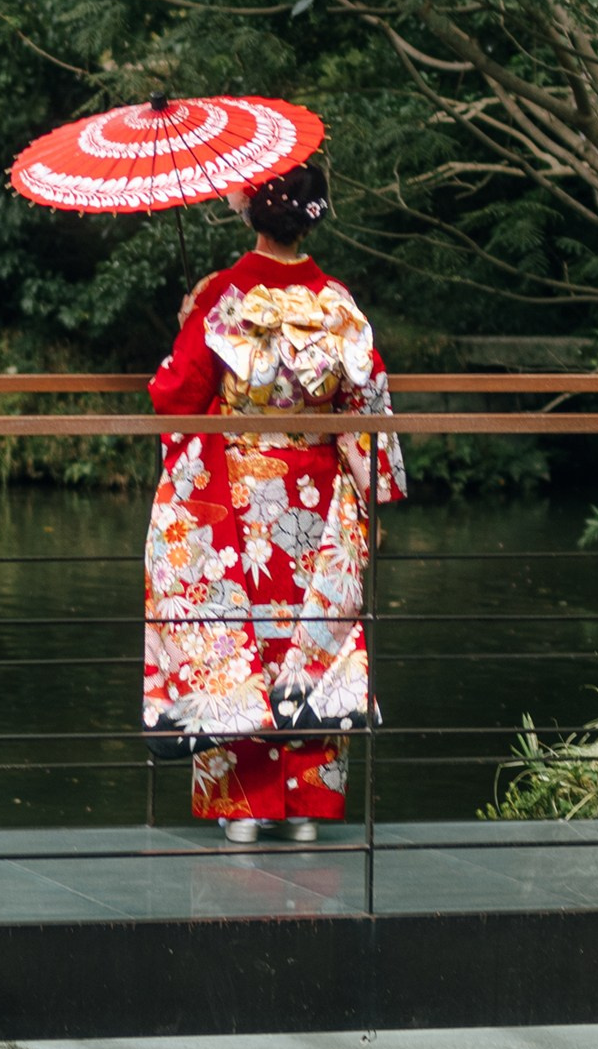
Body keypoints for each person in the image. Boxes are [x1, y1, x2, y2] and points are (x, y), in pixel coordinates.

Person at [142, 151, 404, 841]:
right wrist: (370, 500)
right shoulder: (339, 303)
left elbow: (173, 396)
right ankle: (309, 813)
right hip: (319, 506)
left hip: (241, 506)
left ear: (250, 209)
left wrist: (189, 318)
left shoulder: (227, 297)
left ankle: (244, 811)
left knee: (236, 641)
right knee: (315, 643)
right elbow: (368, 404)